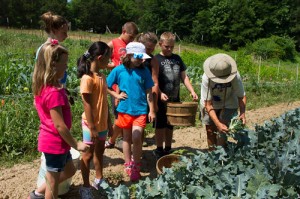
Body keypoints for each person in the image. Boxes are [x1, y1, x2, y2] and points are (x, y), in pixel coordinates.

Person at [29, 41, 89, 199]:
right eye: (65, 63)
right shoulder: (53, 92)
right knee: (53, 184)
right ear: (53, 65)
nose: (67, 66)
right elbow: (59, 125)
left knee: (69, 170)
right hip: (54, 142)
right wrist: (76, 144)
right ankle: (44, 192)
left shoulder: (46, 86)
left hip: (59, 142)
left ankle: (36, 194)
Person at [77, 41, 127, 199]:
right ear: (99, 58)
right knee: (87, 155)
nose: (111, 61)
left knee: (99, 152)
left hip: (102, 124)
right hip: (90, 124)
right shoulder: (87, 78)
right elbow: (87, 104)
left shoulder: (102, 77)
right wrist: (92, 127)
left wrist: (109, 123)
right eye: (108, 58)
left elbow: (103, 102)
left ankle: (99, 179)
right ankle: (85, 187)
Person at [107, 42, 156, 181]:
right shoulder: (119, 70)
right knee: (126, 138)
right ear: (129, 55)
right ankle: (128, 162)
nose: (142, 60)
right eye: (139, 57)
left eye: (142, 58)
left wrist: (151, 110)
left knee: (136, 137)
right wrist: (116, 95)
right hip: (124, 110)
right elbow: (106, 85)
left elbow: (149, 92)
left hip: (140, 110)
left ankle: (136, 164)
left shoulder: (144, 71)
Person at [106, 32, 160, 146]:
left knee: (140, 126)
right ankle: (113, 139)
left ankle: (136, 150)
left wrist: (154, 104)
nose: (150, 52)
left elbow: (154, 82)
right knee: (119, 122)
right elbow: (123, 79)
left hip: (143, 94)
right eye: (148, 48)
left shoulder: (152, 60)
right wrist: (117, 95)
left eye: (152, 49)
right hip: (125, 95)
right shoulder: (131, 57)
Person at [153, 32, 198, 160]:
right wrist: (160, 93)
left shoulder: (177, 59)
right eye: (167, 46)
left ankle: (168, 148)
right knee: (160, 125)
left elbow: (184, 77)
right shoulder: (156, 59)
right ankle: (159, 149)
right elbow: (153, 80)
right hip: (160, 99)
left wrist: (192, 91)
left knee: (170, 124)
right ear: (160, 44)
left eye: (172, 47)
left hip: (174, 98)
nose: (169, 49)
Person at [200, 53, 246, 151]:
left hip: (229, 101)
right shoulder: (206, 78)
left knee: (223, 129)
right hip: (210, 102)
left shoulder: (235, 76)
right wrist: (217, 123)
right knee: (210, 129)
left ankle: (221, 154)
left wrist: (242, 112)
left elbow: (241, 96)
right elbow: (208, 105)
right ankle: (212, 153)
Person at [105, 22, 139, 148]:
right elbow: (101, 58)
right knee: (118, 113)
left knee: (128, 112)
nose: (131, 40)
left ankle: (122, 137)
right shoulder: (113, 43)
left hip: (130, 85)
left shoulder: (131, 45)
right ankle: (117, 138)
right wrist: (111, 66)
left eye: (133, 38)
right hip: (116, 87)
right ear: (123, 31)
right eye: (130, 37)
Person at [36, 11, 69, 87]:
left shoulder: (58, 49)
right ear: (54, 30)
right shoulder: (46, 49)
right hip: (50, 92)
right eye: (64, 32)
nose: (66, 36)